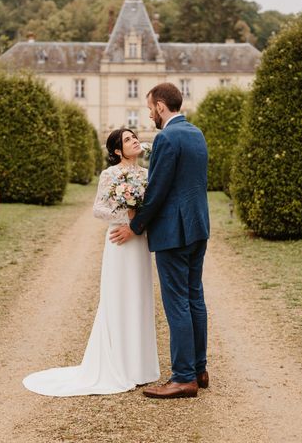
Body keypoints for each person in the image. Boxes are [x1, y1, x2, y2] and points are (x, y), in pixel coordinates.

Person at [22, 128, 160, 396]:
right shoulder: (109, 175)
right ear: (118, 150)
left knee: (140, 297)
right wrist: (124, 215)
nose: (134, 141)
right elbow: (98, 208)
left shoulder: (146, 174)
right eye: (128, 140)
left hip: (139, 242)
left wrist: (138, 220)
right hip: (119, 243)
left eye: (134, 138)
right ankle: (118, 363)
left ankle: (140, 366)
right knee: (118, 298)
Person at [110, 82, 210, 399]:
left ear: (162, 106)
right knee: (195, 298)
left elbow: (157, 191)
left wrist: (135, 227)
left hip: (174, 233)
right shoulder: (196, 133)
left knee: (177, 302)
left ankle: (183, 378)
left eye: (151, 106)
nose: (149, 113)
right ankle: (199, 369)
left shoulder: (166, 137)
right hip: (198, 228)